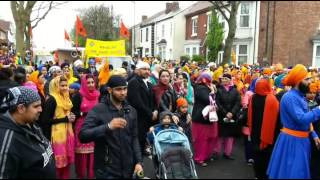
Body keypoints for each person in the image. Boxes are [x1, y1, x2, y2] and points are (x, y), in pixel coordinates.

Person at [79, 75, 143, 179]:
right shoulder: (98, 109)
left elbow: (134, 138)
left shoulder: (131, 111)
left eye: (125, 89)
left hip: (128, 168)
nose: (123, 93)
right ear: (109, 90)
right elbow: (83, 135)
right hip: (107, 170)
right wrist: (108, 127)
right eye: (118, 89)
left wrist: (139, 162)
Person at [267, 64, 320, 179]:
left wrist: (314, 134)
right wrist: (318, 110)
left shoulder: (299, 97)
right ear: (298, 81)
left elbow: (306, 120)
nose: (309, 82)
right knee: (293, 174)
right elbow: (301, 119)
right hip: (293, 142)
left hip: (299, 140)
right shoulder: (290, 97)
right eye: (306, 79)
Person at [0, 86, 56, 178]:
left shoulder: (31, 123)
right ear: (21, 108)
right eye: (36, 106)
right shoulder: (6, 141)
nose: (41, 110)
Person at [39, 76, 75, 179]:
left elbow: (66, 115)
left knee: (66, 164)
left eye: (66, 85)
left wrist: (71, 117)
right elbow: (45, 121)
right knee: (56, 165)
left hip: (67, 133)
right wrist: (65, 119)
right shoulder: (52, 99)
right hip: (55, 137)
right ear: (55, 86)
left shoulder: (66, 97)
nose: (65, 88)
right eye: (62, 85)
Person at [247, 79, 281, 179]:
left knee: (257, 155)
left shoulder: (252, 97)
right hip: (269, 133)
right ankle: (265, 175)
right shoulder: (272, 99)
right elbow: (277, 118)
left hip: (255, 131)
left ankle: (257, 175)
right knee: (267, 156)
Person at [71, 75, 99, 179]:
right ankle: (81, 175)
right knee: (82, 155)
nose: (91, 84)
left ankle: (92, 176)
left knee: (93, 153)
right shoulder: (79, 96)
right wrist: (83, 113)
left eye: (92, 82)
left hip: (95, 126)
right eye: (88, 83)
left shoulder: (97, 95)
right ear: (83, 84)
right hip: (81, 127)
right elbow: (73, 112)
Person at [128, 61, 157, 156]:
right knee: (138, 147)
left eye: (148, 69)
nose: (147, 71)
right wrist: (150, 113)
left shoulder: (149, 83)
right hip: (139, 119)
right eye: (144, 69)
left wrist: (155, 110)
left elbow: (153, 100)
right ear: (137, 70)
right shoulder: (134, 82)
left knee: (144, 144)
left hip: (147, 119)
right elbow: (137, 102)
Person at [191, 72, 218, 167]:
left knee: (210, 138)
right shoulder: (200, 88)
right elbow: (207, 99)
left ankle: (206, 155)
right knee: (201, 139)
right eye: (209, 78)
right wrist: (212, 92)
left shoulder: (208, 87)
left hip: (208, 117)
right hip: (201, 117)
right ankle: (199, 158)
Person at [215, 73, 241, 160]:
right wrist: (225, 112)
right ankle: (217, 152)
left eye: (226, 79)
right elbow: (217, 102)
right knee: (220, 135)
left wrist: (232, 113)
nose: (224, 80)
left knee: (230, 136)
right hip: (221, 115)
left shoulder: (235, 90)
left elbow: (238, 103)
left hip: (232, 116)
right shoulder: (218, 90)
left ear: (230, 80)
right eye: (223, 79)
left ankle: (227, 153)